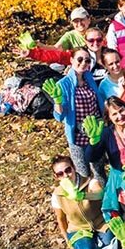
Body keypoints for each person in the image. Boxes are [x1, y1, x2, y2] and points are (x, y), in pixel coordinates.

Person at [84, 97, 125, 219]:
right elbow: (91, 157)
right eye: (114, 114)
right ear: (109, 116)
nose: (120, 116)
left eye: (121, 110)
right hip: (122, 184)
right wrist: (93, 143)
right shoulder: (107, 133)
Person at [42, 47, 102, 178]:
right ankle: (85, 198)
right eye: (79, 59)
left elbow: (98, 103)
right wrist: (57, 101)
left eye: (87, 60)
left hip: (94, 131)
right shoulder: (63, 84)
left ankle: (104, 198)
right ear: (71, 60)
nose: (83, 63)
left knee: (99, 172)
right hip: (77, 136)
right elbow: (59, 116)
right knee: (83, 173)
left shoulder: (89, 78)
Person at [50, 155, 112, 249]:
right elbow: (61, 218)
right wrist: (66, 238)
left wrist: (84, 196)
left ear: (73, 168)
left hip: (100, 223)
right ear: (56, 177)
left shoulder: (89, 182)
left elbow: (100, 194)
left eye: (68, 170)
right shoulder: (57, 195)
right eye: (60, 174)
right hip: (78, 228)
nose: (66, 176)